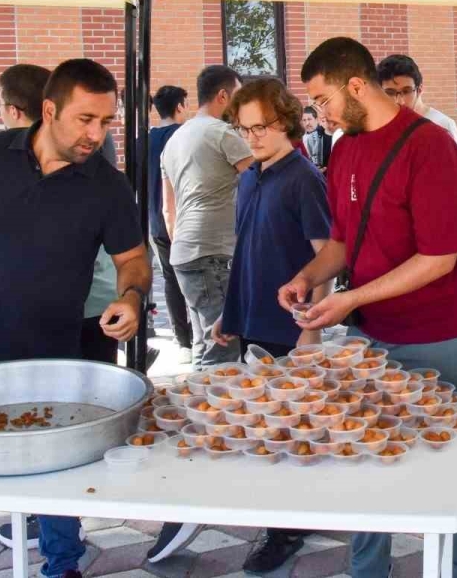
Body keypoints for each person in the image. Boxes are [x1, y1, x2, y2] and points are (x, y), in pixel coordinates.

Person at [0, 59, 149, 578]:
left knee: (58, 474)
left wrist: (131, 299)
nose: (97, 134)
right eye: (86, 119)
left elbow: (132, 260)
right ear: (49, 109)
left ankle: (63, 565)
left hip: (53, 357)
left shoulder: (107, 186)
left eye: (106, 121)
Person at [278, 37, 457, 578]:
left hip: (442, 333)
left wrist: (349, 299)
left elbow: (441, 258)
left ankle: (455, 567)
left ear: (354, 86)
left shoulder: (431, 145)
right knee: (363, 450)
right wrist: (309, 277)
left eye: (322, 100)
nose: (317, 113)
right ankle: (368, 569)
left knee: (449, 459)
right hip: (374, 335)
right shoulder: (345, 146)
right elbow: (345, 241)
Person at [194, 78, 331, 574]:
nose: (251, 137)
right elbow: (246, 251)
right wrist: (229, 316)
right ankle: (276, 512)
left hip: (290, 327)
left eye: (262, 127)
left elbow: (326, 258)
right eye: (244, 128)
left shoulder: (305, 178)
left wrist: (311, 327)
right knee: (264, 426)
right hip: (252, 322)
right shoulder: (249, 176)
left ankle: (287, 529)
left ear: (288, 122)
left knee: (289, 428)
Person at [159, 65, 252, 368]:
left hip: (184, 252)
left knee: (205, 346)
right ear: (223, 96)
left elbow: (167, 210)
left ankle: (198, 409)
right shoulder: (221, 132)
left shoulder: (173, 140)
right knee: (223, 350)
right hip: (213, 254)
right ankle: (214, 414)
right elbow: (261, 179)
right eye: (238, 98)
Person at [147, 85, 192, 362]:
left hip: (153, 220)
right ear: (180, 107)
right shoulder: (183, 136)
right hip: (182, 217)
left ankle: (182, 340)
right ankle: (197, 335)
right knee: (192, 277)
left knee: (170, 278)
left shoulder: (145, 139)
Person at [376, 53, 457, 139]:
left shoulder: (443, 124)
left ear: (419, 90)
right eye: (390, 92)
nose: (399, 101)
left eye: (406, 91)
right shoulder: (377, 126)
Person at [301, 104, 334, 170]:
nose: (307, 123)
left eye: (309, 119)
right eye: (304, 120)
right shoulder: (300, 138)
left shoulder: (325, 134)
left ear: (316, 119)